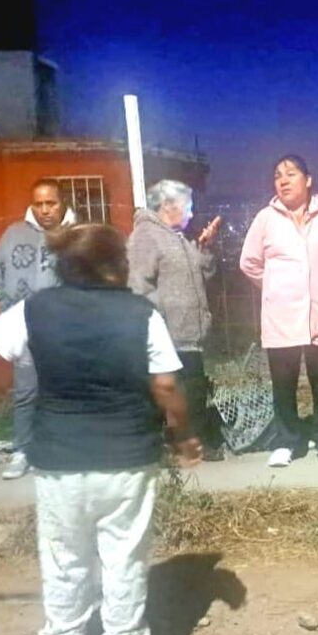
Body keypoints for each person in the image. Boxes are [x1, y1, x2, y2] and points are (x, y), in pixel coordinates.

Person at [0, 223, 202, 635]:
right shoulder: (140, 313)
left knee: (64, 555)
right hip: (127, 458)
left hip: (59, 461)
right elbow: (165, 384)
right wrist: (184, 437)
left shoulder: (36, 309)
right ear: (112, 265)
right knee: (123, 556)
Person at [240, 156, 318, 468]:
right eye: (278, 175)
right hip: (281, 315)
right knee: (283, 382)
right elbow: (249, 262)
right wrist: (275, 287)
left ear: (308, 179)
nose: (283, 180)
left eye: (291, 174)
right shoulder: (266, 219)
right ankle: (287, 441)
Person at [0, 179, 76, 480]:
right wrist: (4, 304)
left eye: (51, 203)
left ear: (62, 203)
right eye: (39, 204)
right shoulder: (14, 234)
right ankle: (22, 450)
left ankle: (58, 449)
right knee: (26, 392)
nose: (45, 210)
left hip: (63, 332)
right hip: (24, 329)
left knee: (62, 390)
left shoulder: (75, 237)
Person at [128, 180, 224, 460]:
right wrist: (158, 321)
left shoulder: (177, 237)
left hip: (188, 333)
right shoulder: (146, 235)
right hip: (166, 334)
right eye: (188, 207)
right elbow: (138, 286)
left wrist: (205, 248)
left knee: (193, 391)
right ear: (168, 205)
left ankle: (191, 444)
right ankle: (160, 448)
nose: (191, 214)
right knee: (167, 393)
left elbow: (203, 274)